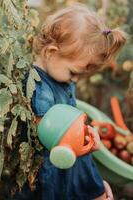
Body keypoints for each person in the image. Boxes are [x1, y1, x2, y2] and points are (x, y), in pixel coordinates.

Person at [14, 3, 126, 200]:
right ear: (51, 52)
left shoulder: (61, 77)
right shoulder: (37, 86)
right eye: (74, 72)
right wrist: (84, 140)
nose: (75, 80)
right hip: (51, 163)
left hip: (69, 157)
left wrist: (88, 135)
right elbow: (48, 135)